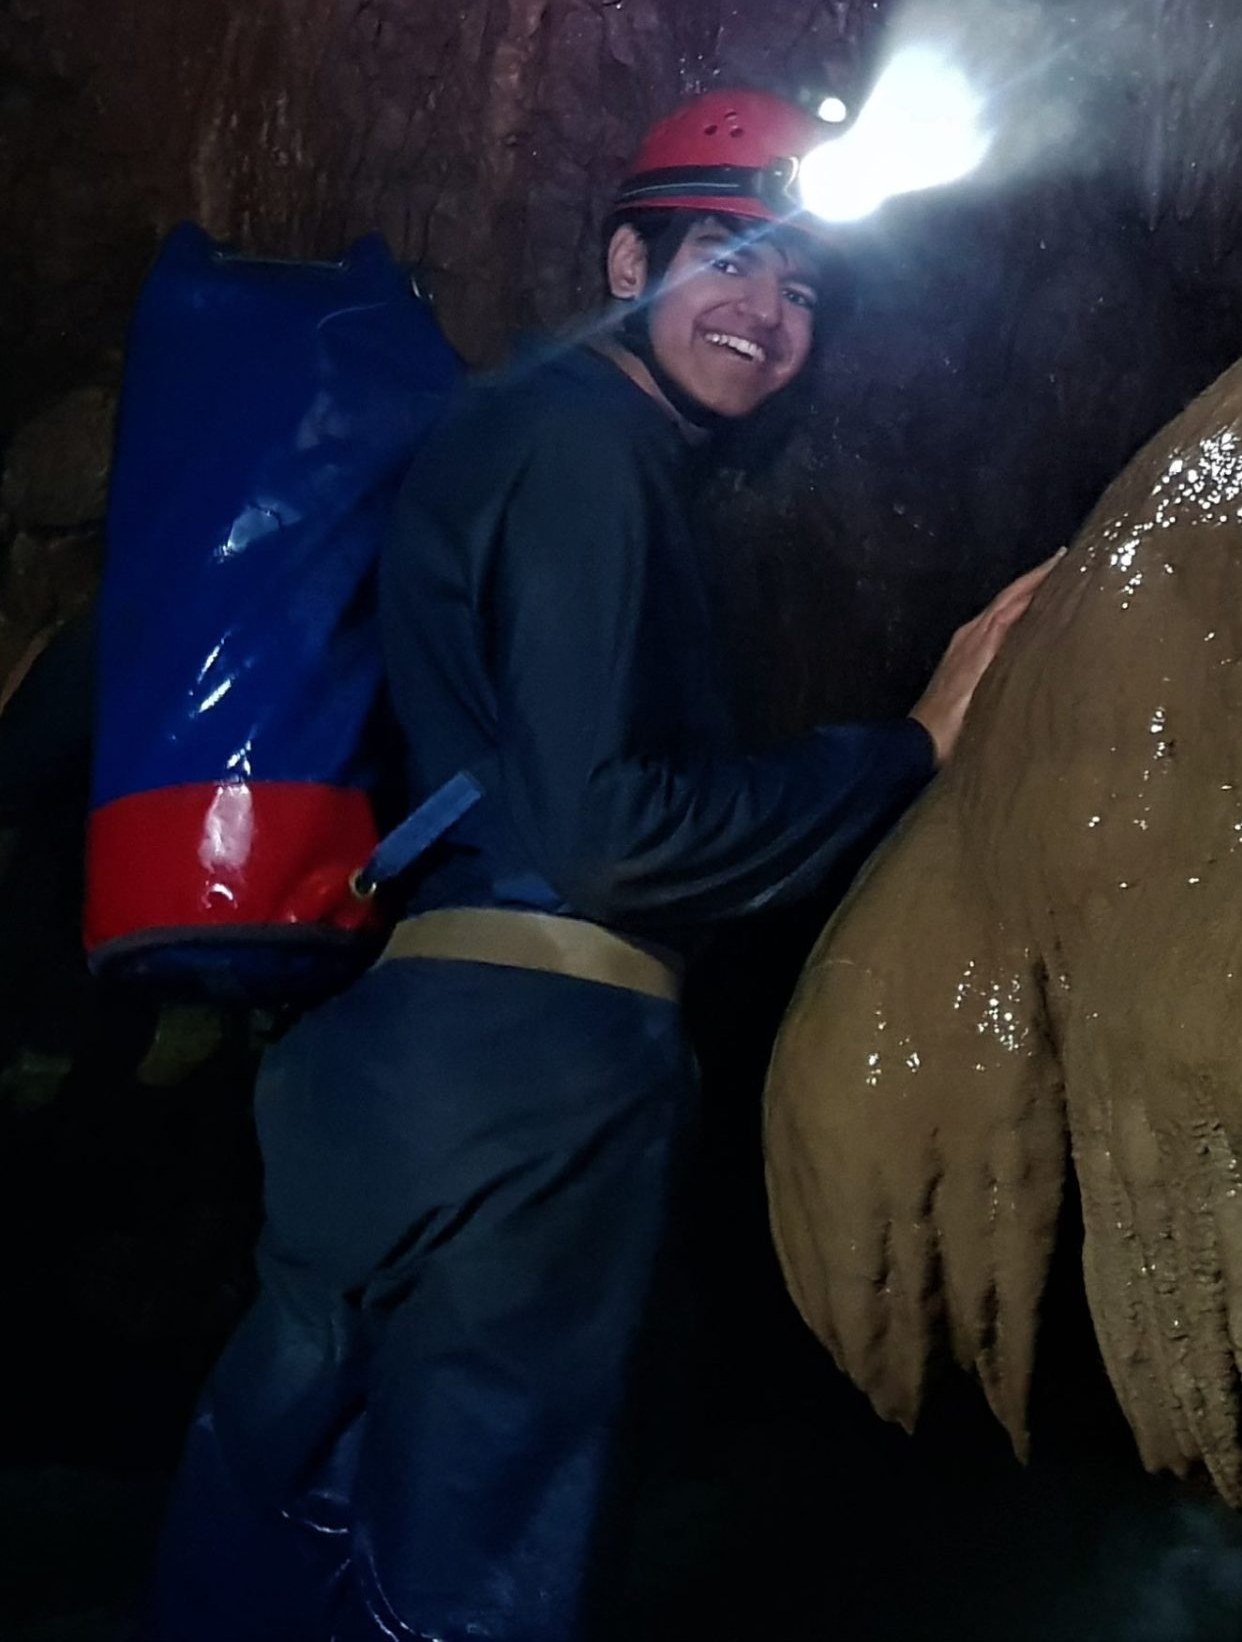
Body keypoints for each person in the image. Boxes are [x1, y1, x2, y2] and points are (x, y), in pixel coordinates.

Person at [143, 90, 1051, 1641]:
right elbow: (614, 832)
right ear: (632, 263)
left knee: (280, 1524)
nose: (768, 313)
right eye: (731, 261)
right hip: (529, 1086)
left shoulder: (509, 431)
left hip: (388, 1071)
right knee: (468, 1574)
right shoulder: (588, 451)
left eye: (803, 290)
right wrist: (907, 752)